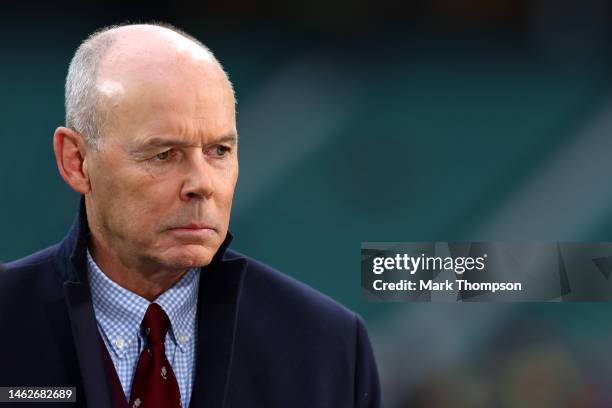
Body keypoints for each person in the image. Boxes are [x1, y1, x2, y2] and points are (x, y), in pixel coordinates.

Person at [0, 23, 381, 408]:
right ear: (76, 161)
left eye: (219, 151)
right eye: (164, 154)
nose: (201, 183)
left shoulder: (328, 347)